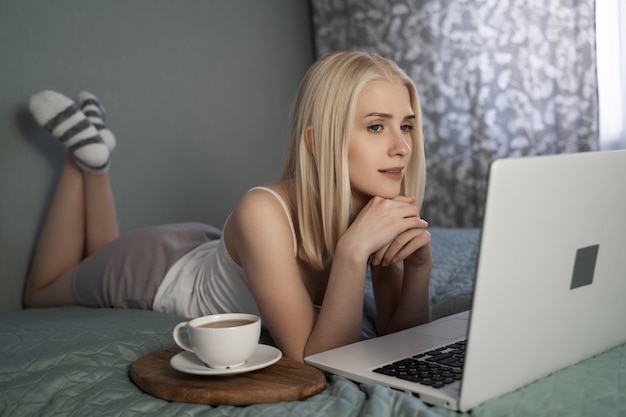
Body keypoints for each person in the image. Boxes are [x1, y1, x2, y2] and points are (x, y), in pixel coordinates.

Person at [24, 50, 432, 362]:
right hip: (154, 271)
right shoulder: (261, 210)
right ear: (318, 141)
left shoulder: (378, 208)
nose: (401, 147)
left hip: (206, 244)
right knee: (41, 292)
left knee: (96, 253)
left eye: (406, 126)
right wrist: (352, 251)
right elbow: (313, 359)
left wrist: (418, 270)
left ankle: (93, 153)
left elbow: (398, 341)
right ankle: (85, 162)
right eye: (376, 126)